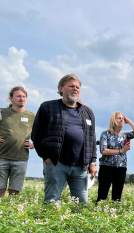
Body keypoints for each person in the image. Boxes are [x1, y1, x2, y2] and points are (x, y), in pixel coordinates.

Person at [32, 74, 97, 204]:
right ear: (61, 89)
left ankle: (77, 225)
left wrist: (93, 162)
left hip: (80, 167)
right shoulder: (48, 107)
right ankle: (49, 224)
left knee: (81, 204)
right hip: (56, 163)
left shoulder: (87, 112)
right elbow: (36, 134)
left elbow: (91, 138)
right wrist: (46, 157)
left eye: (77, 87)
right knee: (52, 201)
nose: (75, 89)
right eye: (71, 86)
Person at [97, 112, 134, 202]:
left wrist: (128, 120)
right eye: (119, 118)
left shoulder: (125, 135)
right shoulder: (105, 134)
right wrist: (121, 151)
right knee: (102, 194)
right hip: (106, 167)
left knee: (117, 196)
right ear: (113, 120)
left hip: (121, 168)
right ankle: (98, 213)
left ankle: (115, 214)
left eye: (122, 118)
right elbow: (103, 150)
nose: (121, 120)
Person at [0, 86, 35, 197]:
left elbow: (40, 134)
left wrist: (34, 144)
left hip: (21, 159)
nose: (21, 98)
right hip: (2, 157)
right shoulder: (2, 112)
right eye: (18, 96)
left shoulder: (31, 116)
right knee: (0, 190)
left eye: (24, 96)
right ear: (11, 98)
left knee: (14, 192)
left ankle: (10, 213)